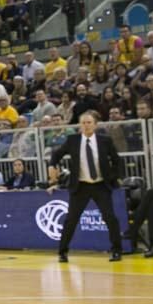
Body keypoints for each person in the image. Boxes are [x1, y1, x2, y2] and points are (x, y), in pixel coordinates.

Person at [47, 110, 124, 263]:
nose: (86, 125)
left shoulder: (105, 140)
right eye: (83, 123)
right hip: (80, 186)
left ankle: (116, 250)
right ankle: (62, 252)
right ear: (79, 126)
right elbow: (56, 154)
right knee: (71, 219)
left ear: (95, 125)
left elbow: (117, 161)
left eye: (89, 122)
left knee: (110, 218)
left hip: (101, 185)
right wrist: (52, 166)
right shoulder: (72, 140)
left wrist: (113, 177)